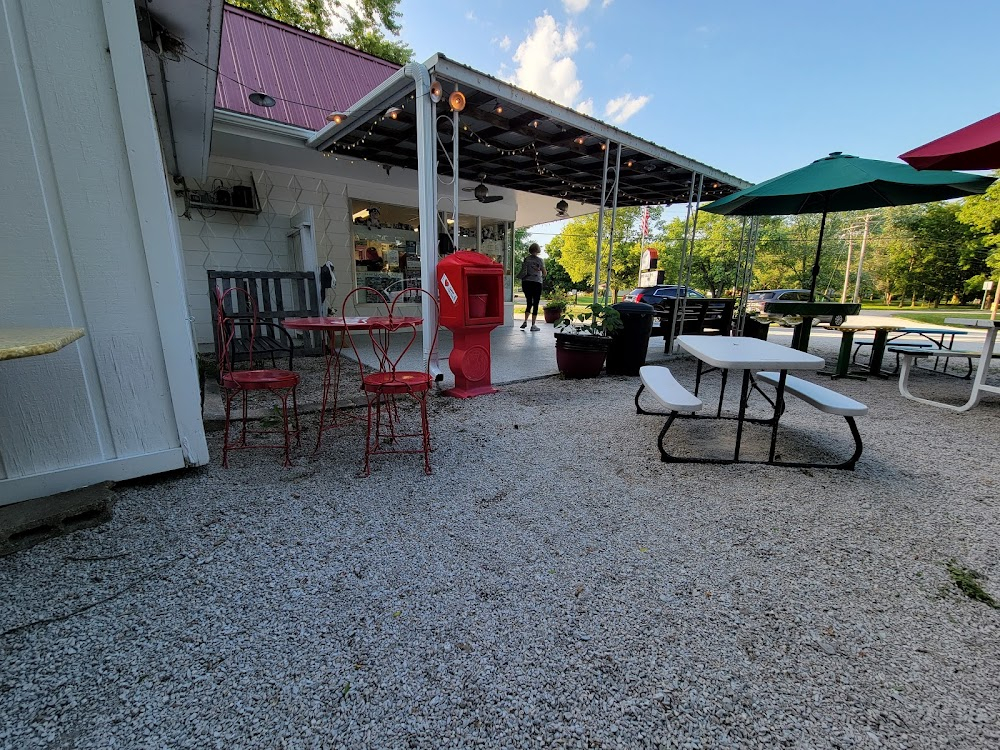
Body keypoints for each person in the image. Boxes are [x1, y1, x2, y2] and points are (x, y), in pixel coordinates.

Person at [518, 243, 546, 331]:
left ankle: (525, 321)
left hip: (526, 282)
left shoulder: (526, 259)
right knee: (536, 303)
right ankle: (533, 325)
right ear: (538, 250)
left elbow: (523, 271)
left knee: (529, 302)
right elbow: (544, 273)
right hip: (537, 282)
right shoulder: (540, 260)